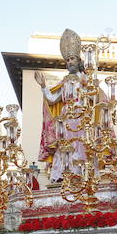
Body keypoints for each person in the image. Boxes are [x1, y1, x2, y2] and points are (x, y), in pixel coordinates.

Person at [34, 28, 91, 182]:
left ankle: (80, 175)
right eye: (67, 60)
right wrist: (43, 86)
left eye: (72, 58)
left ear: (79, 61)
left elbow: (94, 96)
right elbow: (52, 99)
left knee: (81, 144)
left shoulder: (85, 79)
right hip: (65, 119)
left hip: (81, 117)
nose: (70, 62)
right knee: (63, 145)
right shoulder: (65, 81)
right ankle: (61, 175)